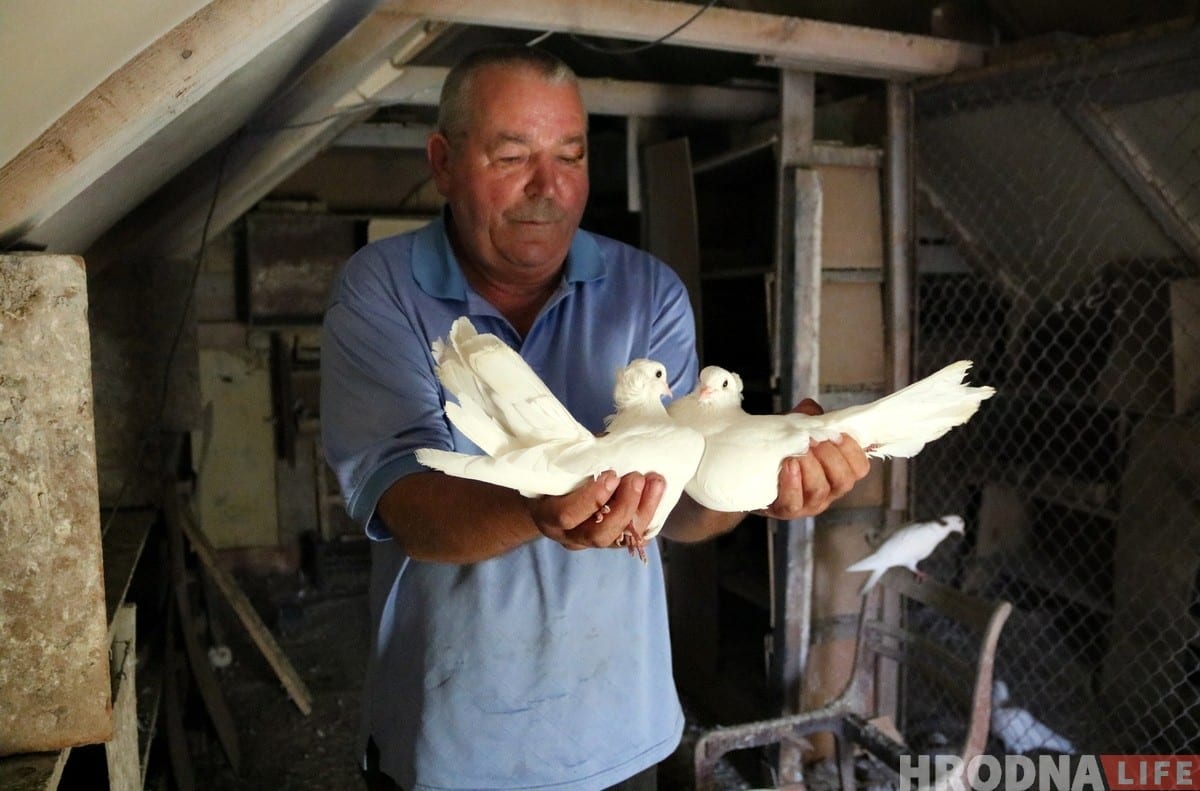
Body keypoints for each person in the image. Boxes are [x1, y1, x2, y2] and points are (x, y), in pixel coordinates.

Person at [320, 44, 870, 791]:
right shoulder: (381, 289)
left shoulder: (647, 292)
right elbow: (407, 504)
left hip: (617, 729)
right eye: (513, 155)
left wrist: (753, 483)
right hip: (453, 740)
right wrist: (537, 507)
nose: (548, 188)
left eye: (571, 156)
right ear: (444, 161)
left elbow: (681, 512)